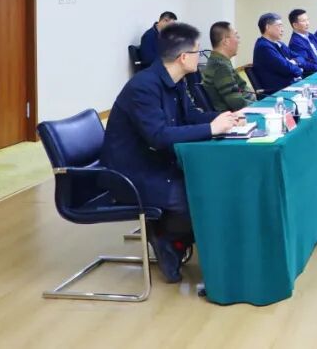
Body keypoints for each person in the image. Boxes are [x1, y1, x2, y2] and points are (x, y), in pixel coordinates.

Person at [100, 22, 240, 283]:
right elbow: (159, 135)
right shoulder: (144, 86)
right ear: (183, 57)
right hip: (129, 173)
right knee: (199, 200)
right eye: (198, 52)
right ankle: (166, 238)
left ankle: (170, 234)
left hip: (157, 161)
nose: (201, 58)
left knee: (212, 187)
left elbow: (189, 116)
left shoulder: (176, 80)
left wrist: (226, 118)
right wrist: (211, 129)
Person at [202, 21, 257, 112]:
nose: (239, 40)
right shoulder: (220, 66)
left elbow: (242, 89)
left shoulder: (219, 61)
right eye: (236, 36)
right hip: (234, 116)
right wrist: (258, 105)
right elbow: (238, 103)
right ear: (226, 41)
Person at [252, 12, 305, 94]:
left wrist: (294, 62)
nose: (282, 29)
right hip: (278, 91)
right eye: (279, 26)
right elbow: (287, 68)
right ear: (268, 27)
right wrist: (299, 69)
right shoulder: (264, 47)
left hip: (291, 85)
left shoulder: (278, 43)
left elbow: (301, 58)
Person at [288, 8, 317, 74]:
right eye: (303, 21)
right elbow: (305, 64)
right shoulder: (295, 42)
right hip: (315, 73)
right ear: (295, 25)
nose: (307, 23)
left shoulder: (311, 36)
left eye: (307, 20)